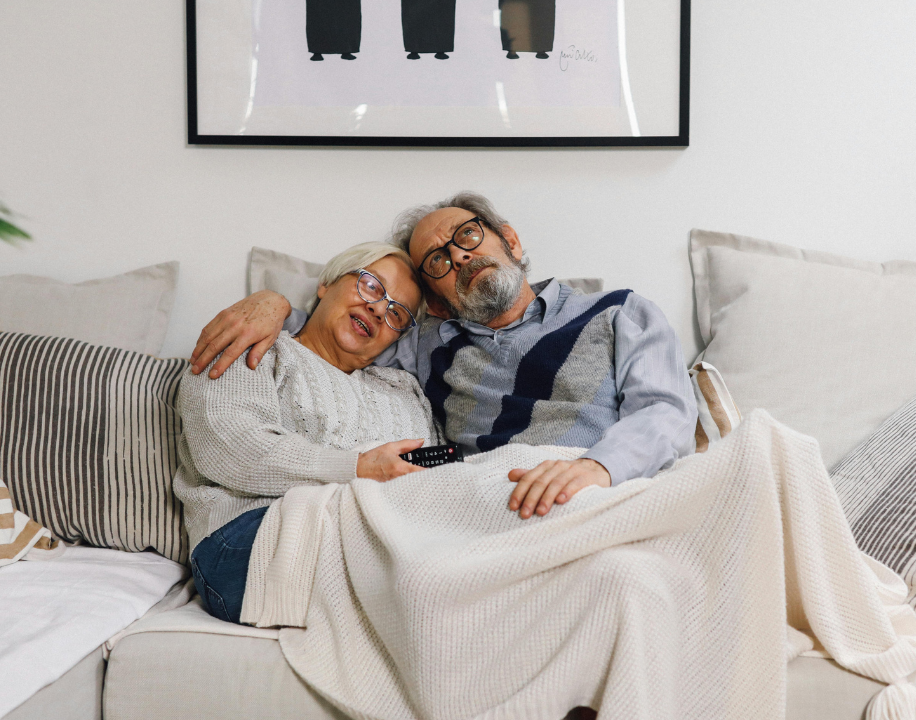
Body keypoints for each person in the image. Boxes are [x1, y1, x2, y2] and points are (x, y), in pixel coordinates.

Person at [190, 192, 697, 522]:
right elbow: (331, 343)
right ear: (434, 300)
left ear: (511, 240)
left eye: (468, 236)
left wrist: (596, 468)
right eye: (438, 260)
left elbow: (667, 413)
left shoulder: (620, 313)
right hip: (505, 508)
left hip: (610, 489)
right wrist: (272, 304)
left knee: (765, 449)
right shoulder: (424, 344)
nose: (458, 256)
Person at [175, 242, 440, 623]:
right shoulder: (257, 342)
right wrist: (359, 467)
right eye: (371, 286)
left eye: (398, 313)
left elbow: (437, 477)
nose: (380, 309)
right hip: (250, 539)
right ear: (327, 283)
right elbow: (227, 448)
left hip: (385, 536)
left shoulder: (405, 392)